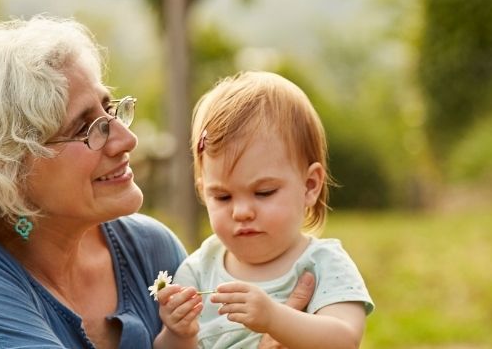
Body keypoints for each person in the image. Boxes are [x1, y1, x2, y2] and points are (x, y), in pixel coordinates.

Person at [0, 17, 319, 349]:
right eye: (87, 127)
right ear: (1, 167)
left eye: (110, 110)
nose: (125, 138)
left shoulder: (150, 251)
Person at [151, 72, 373, 349]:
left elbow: (344, 339)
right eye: (222, 196)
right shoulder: (198, 270)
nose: (241, 212)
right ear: (202, 191)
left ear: (309, 186)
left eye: (263, 192)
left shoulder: (322, 263)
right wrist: (178, 334)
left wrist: (273, 318)